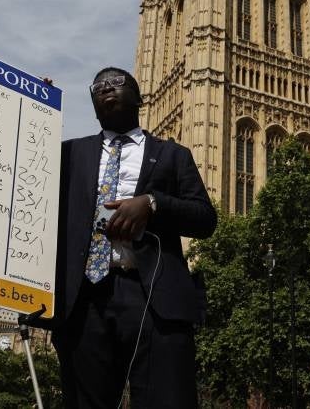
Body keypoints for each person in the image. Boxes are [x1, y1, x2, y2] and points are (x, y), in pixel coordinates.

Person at [50, 67, 217, 408]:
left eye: (116, 82)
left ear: (139, 97)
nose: (106, 88)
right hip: (85, 299)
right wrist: (35, 111)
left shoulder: (173, 155)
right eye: (98, 85)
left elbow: (205, 219)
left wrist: (152, 204)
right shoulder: (69, 154)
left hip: (153, 295)